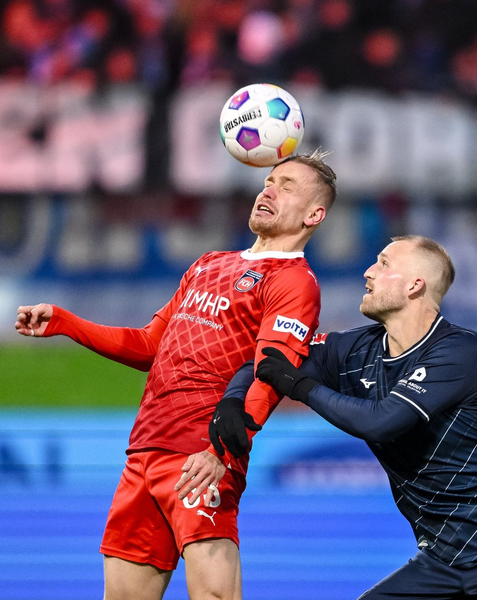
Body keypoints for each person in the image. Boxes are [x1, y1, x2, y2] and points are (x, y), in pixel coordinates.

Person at [14, 150, 337, 600]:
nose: (269, 190)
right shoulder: (208, 263)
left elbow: (273, 372)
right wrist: (68, 323)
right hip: (144, 450)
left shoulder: (293, 282)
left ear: (314, 214)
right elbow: (151, 344)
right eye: (269, 181)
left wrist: (219, 451)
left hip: (199, 455)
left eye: (287, 186)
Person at [214, 235, 477, 599]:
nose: (369, 272)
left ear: (416, 285)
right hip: (443, 561)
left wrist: (302, 388)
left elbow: (383, 421)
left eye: (384, 264)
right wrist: (232, 401)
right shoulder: (355, 349)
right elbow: (271, 357)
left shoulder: (458, 349)